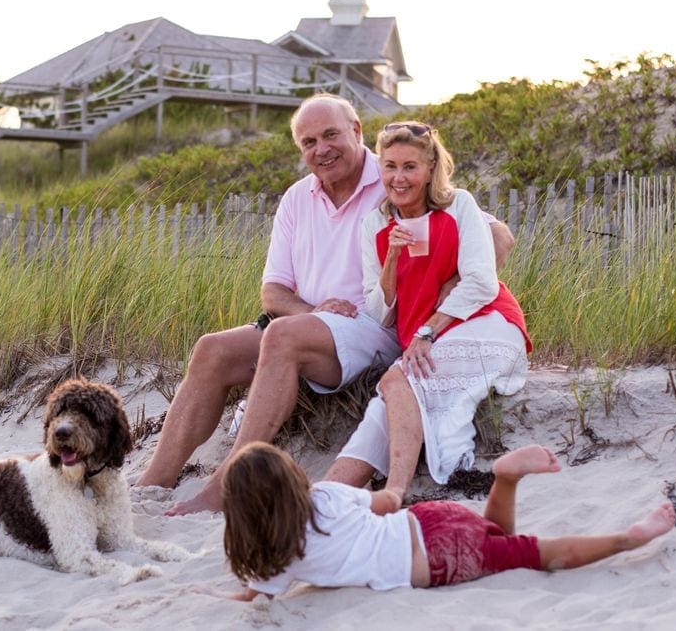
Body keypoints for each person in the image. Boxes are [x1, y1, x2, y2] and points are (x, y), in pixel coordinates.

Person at [137, 96, 513, 515]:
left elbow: (499, 238)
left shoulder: (395, 174)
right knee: (213, 348)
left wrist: (449, 287)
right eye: (309, 142)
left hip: (377, 326)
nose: (322, 149)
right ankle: (153, 482)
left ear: (356, 131)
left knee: (282, 334)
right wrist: (313, 311)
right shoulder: (298, 198)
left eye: (331, 135)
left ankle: (230, 481)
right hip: (313, 325)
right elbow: (274, 293)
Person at [323, 121, 532, 509]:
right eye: (389, 166)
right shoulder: (375, 224)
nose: (398, 178)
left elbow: (482, 283)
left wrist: (428, 332)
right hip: (424, 339)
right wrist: (392, 260)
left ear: (431, 168)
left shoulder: (460, 206)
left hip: (485, 323)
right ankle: (320, 502)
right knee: (379, 415)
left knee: (398, 379)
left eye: (410, 167)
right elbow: (377, 312)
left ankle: (395, 494)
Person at [217, 441, 676, 600]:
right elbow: (384, 504)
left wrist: (208, 591)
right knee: (497, 540)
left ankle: (624, 539)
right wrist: (393, 489)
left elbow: (252, 596)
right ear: (294, 479)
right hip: (426, 520)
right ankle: (505, 480)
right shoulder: (327, 497)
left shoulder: (275, 560)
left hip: (434, 561)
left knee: (535, 555)